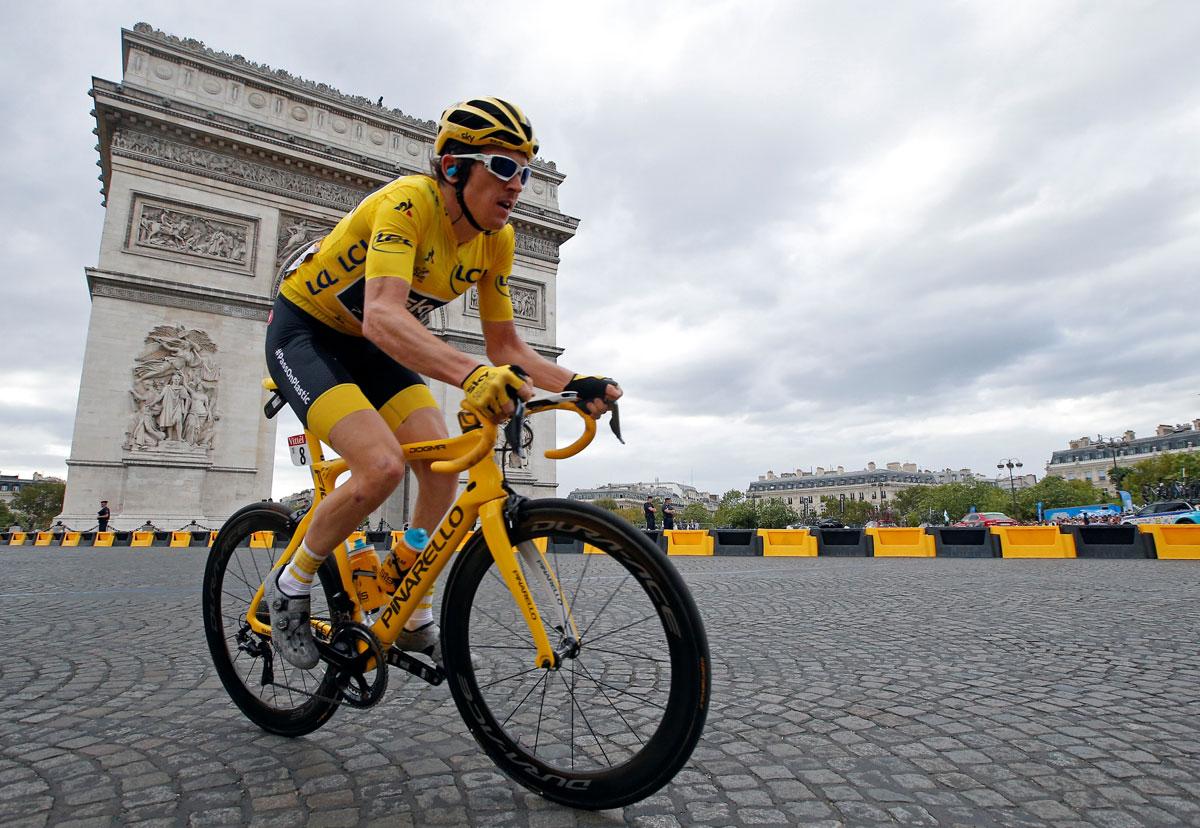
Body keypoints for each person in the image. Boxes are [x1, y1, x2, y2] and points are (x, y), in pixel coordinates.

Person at [263, 98, 622, 669]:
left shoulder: (496, 241)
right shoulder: (408, 203)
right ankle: (292, 583)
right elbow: (383, 315)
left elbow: (507, 348)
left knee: (440, 465)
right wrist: (473, 373)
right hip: (308, 334)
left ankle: (412, 597)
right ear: (454, 168)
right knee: (381, 466)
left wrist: (578, 383)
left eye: (525, 172)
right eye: (503, 167)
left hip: (372, 347)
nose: (518, 185)